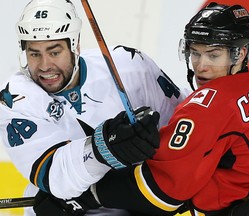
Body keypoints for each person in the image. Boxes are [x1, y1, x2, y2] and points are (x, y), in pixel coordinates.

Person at [57, 2, 249, 216]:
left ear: (240, 55)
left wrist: (87, 195)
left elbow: (162, 191)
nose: (201, 66)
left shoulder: (210, 104)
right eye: (195, 52)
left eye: (214, 55)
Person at [0, 0, 188, 215]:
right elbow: (55, 174)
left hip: (137, 204)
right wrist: (104, 146)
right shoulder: (15, 98)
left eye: (54, 52)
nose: (44, 66)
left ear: (75, 45)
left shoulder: (131, 66)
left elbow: (183, 119)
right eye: (34, 54)